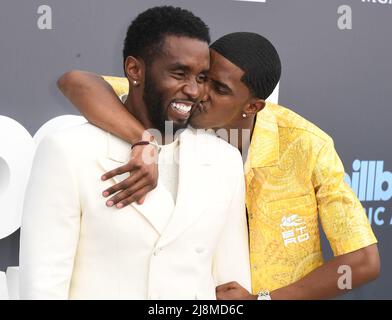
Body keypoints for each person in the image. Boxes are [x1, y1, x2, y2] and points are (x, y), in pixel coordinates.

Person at [58, 30, 380, 300]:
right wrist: (144, 140)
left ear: (252, 106)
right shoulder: (177, 102)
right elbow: (77, 81)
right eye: (203, 77)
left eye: (219, 89)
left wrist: (262, 300)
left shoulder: (307, 145)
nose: (199, 92)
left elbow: (364, 261)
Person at [19, 6, 251, 300]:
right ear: (134, 70)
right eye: (179, 73)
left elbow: (232, 285)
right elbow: (43, 287)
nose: (194, 90)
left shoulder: (224, 161)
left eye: (202, 77)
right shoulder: (68, 151)